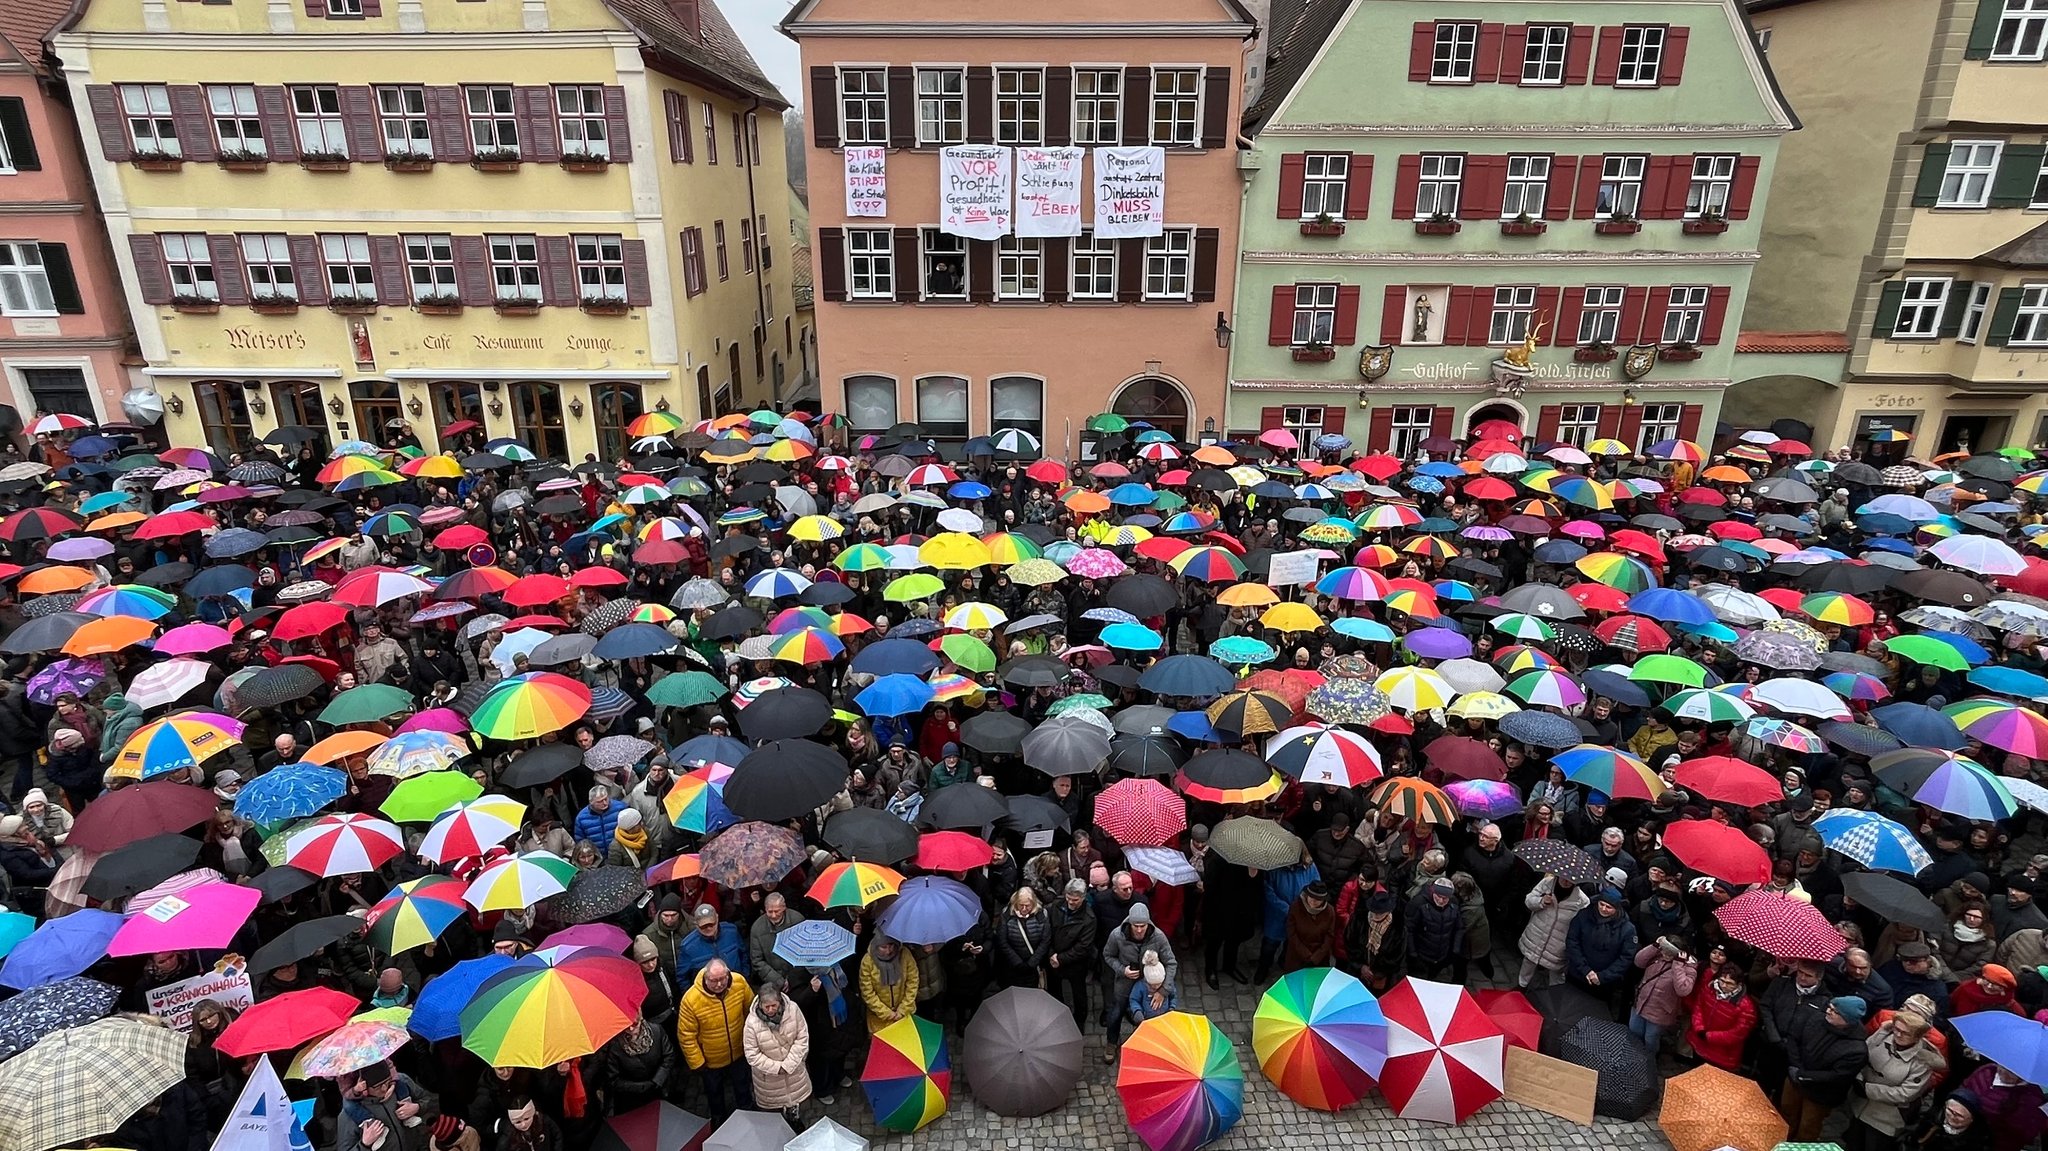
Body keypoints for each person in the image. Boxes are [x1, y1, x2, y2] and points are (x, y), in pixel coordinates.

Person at [1843, 1010, 1939, 1151]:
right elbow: (1863, 1052)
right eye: (1896, 1029)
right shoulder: (1885, 1037)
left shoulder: (1923, 1061)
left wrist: (1867, 1089)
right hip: (1859, 1108)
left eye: (1905, 1033)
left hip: (1886, 1118)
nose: (1898, 1035)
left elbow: (1906, 1093)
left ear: (1918, 1037)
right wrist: (1882, 1030)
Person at [1779, 996, 1871, 1141]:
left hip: (1820, 1094)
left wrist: (1803, 1075)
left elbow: (1837, 1076)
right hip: (1794, 1080)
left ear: (1847, 1019)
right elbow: (1794, 1038)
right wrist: (1795, 1066)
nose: (1828, 1011)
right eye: (1830, 1007)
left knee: (1808, 1127)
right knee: (1785, 1114)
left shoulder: (1857, 1049)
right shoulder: (1816, 1018)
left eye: (1834, 1011)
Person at [676, 959, 754, 1120]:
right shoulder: (691, 1000)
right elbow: (686, 1035)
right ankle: (719, 1119)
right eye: (714, 981)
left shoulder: (739, 982)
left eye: (722, 979)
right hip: (711, 1061)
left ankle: (748, 1113)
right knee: (714, 1093)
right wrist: (697, 1062)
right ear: (705, 978)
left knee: (742, 1087)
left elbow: (751, 1010)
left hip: (739, 1052)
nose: (719, 984)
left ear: (728, 974)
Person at [1101, 903, 1175, 1058]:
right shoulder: (1117, 935)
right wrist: (1123, 970)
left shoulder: (1159, 937)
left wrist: (1163, 990)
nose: (1140, 930)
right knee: (1116, 1013)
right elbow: (1108, 955)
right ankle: (1111, 1043)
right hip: (1124, 984)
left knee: (1146, 1016)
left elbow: (1171, 962)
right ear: (1130, 923)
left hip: (1150, 986)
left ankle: (1143, 1045)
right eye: (1136, 926)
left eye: (1143, 926)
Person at [742, 982, 812, 1129]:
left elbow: (802, 1036)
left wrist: (789, 1064)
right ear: (760, 1004)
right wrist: (777, 1068)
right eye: (766, 1006)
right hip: (769, 1080)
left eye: (773, 1005)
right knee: (773, 1115)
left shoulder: (793, 1010)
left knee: (794, 1106)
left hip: (793, 1071)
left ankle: (794, 1121)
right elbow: (752, 1054)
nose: (770, 1010)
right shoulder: (751, 1023)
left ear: (780, 1002)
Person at [339, 1059, 440, 1151]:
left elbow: (431, 1100)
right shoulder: (349, 1113)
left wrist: (418, 1107)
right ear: (363, 1087)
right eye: (377, 1087)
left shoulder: (402, 1081)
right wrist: (364, 1144)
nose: (384, 1088)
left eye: (387, 1082)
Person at [595, 1006, 675, 1116]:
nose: (631, 1030)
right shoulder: (615, 1046)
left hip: (658, 1089)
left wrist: (657, 1080)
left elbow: (668, 1055)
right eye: (627, 1026)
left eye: (634, 1025)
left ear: (641, 1021)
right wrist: (640, 1087)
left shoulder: (656, 1031)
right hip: (631, 1099)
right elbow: (613, 1079)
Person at [1565, 888, 1638, 1008]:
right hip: (1577, 975)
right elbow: (1572, 941)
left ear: (1617, 909)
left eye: (1608, 907)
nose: (1603, 909)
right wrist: (1585, 970)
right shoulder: (1583, 915)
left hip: (1604, 984)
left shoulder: (1628, 930)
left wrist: (1602, 976)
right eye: (1601, 904)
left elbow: (1625, 958)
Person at [1628, 933, 1698, 1054]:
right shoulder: (1657, 955)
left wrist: (1678, 965)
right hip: (1641, 1003)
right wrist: (1654, 946)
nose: (1665, 955)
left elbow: (1683, 990)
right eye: (1664, 951)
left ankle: (1649, 1061)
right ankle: (1633, 1057)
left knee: (1650, 1039)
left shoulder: (1688, 968)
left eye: (1669, 954)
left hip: (1660, 1011)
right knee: (1634, 1032)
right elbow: (1638, 961)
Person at [1518, 873, 1586, 989]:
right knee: (1529, 961)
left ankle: (1556, 994)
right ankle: (1522, 985)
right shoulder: (1546, 883)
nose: (1566, 881)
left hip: (1558, 942)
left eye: (1570, 879)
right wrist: (1541, 901)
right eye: (1564, 877)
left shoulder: (1581, 900)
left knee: (1557, 970)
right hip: (1537, 934)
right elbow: (1529, 901)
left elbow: (1582, 925)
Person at [1686, 964, 1757, 1073]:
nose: (1723, 985)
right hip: (1700, 1044)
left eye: (1729, 984)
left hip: (1722, 1055)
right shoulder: (1709, 989)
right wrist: (1699, 1028)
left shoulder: (1747, 1007)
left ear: (1739, 984)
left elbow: (1737, 1033)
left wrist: (1709, 1036)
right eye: (1722, 981)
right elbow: (1698, 1007)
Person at [1047, 878, 1094, 1025]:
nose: (1071, 902)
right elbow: (1047, 932)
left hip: (1075, 964)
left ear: (1083, 897)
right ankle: (1057, 1018)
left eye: (1075, 900)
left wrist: (1060, 958)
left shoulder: (1089, 918)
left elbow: (1083, 947)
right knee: (1054, 992)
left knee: (1079, 996)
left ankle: (1078, 1024)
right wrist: (1050, 954)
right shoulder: (1055, 906)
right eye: (1069, 898)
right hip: (1053, 958)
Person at [858, 934, 918, 1032]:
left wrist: (903, 1009)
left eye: (891, 945)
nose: (888, 951)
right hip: (879, 1018)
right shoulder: (868, 961)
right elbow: (867, 993)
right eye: (883, 947)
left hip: (904, 1013)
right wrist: (886, 1013)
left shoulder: (905, 955)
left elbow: (913, 982)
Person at [676, 903, 747, 986]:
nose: (708, 928)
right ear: (696, 925)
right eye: (704, 926)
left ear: (717, 918)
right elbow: (682, 977)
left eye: (711, 924)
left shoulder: (732, 931)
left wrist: (745, 979)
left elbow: (744, 956)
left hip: (736, 986)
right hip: (706, 995)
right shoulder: (687, 946)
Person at [994, 886, 1051, 988]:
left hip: (1033, 964)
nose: (1024, 909)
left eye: (1027, 906)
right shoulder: (1007, 915)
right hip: (1013, 965)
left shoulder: (1042, 915)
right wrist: (1017, 962)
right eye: (1021, 905)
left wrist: (1032, 962)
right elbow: (1003, 941)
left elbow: (1045, 941)